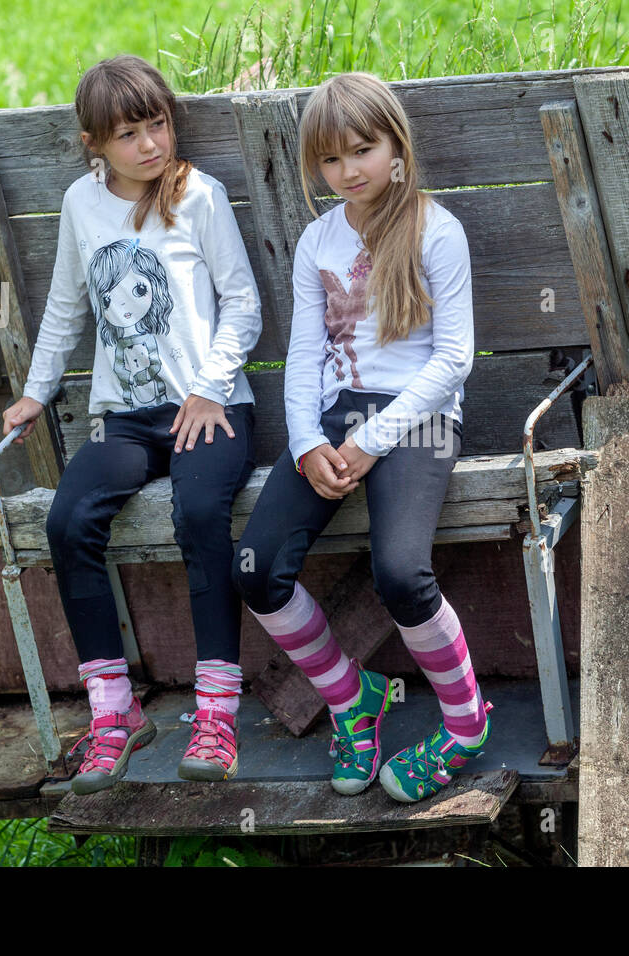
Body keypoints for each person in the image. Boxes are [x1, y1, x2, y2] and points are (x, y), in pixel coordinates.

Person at [1, 54, 261, 792]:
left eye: (157, 124)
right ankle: (114, 712)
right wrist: (36, 391)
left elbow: (242, 302)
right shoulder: (82, 207)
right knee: (69, 519)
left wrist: (210, 390)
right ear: (94, 143)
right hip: (127, 417)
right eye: (128, 134)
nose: (150, 144)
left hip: (212, 407)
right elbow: (65, 306)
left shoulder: (198, 197)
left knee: (201, 510)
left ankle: (215, 717)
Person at [232, 72, 491, 804]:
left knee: (402, 573)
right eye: (332, 160)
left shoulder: (437, 231)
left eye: (362, 151)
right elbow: (304, 356)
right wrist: (308, 441)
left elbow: (453, 361)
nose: (348, 171)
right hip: (334, 417)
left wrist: (374, 440)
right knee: (254, 567)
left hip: (421, 418)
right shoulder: (319, 239)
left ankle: (467, 722)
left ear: (396, 148)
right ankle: (352, 699)